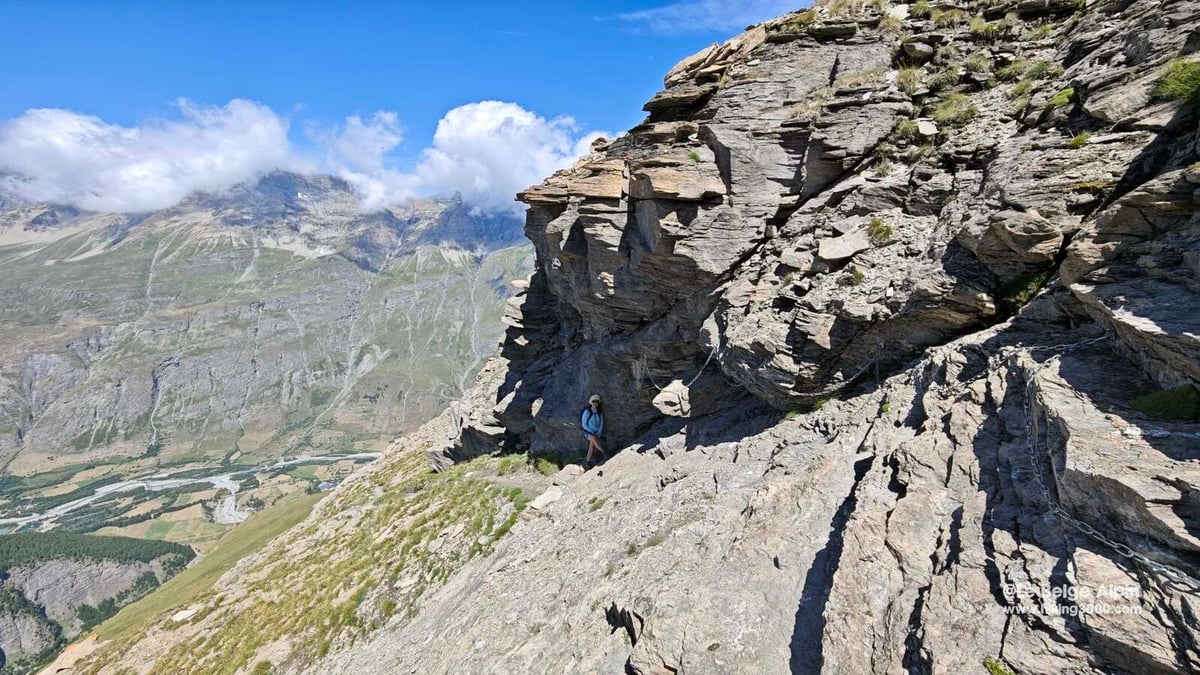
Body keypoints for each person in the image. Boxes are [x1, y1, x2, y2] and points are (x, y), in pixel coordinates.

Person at [581, 394, 605, 468]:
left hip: (596, 432)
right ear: (591, 402)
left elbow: (601, 423)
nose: (595, 403)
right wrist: (591, 431)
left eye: (597, 401)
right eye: (593, 401)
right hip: (588, 432)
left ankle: (588, 461)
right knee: (593, 438)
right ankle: (604, 452)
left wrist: (599, 432)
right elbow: (584, 424)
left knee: (591, 447)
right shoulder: (587, 412)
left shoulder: (599, 412)